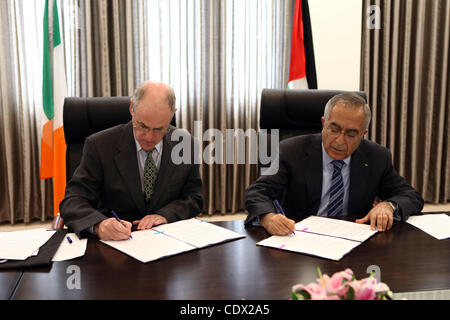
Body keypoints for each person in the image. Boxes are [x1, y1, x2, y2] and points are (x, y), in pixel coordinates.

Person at [245, 92, 424, 235]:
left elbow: (411, 196)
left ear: (363, 134)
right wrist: (268, 218)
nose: (339, 140)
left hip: (352, 240)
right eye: (334, 129)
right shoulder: (291, 151)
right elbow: (258, 192)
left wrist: (389, 205)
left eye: (351, 134)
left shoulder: (377, 156)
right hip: (300, 237)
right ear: (324, 123)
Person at [60, 81, 203, 240]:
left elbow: (194, 198)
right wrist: (99, 225)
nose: (149, 137)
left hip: (167, 241)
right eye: (142, 126)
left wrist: (165, 215)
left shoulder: (186, 144)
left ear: (172, 114)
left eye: (159, 129)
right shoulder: (99, 145)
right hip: (116, 245)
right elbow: (73, 201)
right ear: (131, 108)